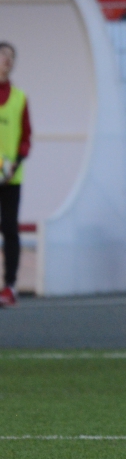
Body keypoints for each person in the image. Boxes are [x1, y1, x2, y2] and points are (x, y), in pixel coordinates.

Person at [0, 42, 30, 308]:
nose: (7, 60)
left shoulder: (20, 98)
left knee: (10, 228)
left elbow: (26, 137)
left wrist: (16, 163)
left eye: (11, 57)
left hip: (11, 177)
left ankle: (10, 285)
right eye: (3, 55)